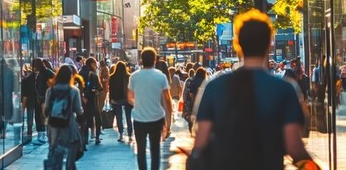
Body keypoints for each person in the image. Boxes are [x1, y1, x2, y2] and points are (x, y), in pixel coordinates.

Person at [191, 9, 314, 169]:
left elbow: (200, 143)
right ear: (269, 44)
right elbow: (294, 147)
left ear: (238, 44)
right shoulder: (285, 89)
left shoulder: (213, 87)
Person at [128, 48, 172, 170]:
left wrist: (139, 103)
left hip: (139, 118)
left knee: (141, 150)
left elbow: (129, 97)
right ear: (155, 60)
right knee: (155, 150)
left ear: (141, 60)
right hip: (156, 118)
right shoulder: (161, 76)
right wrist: (168, 120)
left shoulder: (134, 76)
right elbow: (167, 99)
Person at [44, 65, 84, 170]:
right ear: (70, 76)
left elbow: (46, 109)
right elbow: (78, 110)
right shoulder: (74, 91)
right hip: (69, 125)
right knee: (70, 151)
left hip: (53, 125)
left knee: (53, 148)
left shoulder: (50, 90)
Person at [79, 58, 103, 145]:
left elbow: (78, 86)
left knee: (84, 119)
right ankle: (97, 137)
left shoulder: (80, 73)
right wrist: (97, 91)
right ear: (92, 64)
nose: (96, 66)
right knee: (97, 118)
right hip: (93, 98)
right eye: (95, 64)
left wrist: (82, 96)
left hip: (83, 100)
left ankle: (84, 138)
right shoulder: (93, 74)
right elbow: (99, 87)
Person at [110, 61, 134, 142]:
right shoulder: (129, 76)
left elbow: (111, 90)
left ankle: (121, 135)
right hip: (127, 99)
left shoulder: (112, 77)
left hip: (116, 100)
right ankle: (130, 134)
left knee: (119, 117)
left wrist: (111, 99)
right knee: (128, 117)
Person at [35, 58, 56, 143]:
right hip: (42, 98)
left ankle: (44, 134)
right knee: (41, 116)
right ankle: (44, 134)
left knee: (43, 116)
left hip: (44, 98)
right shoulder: (44, 73)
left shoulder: (46, 73)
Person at [183, 68, 206, 132]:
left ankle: (190, 125)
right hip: (202, 101)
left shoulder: (193, 80)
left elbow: (190, 91)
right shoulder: (205, 81)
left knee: (192, 114)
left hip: (193, 101)